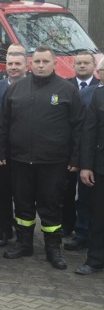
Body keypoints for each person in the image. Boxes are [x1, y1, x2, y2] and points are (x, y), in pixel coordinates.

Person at [0, 46, 85, 270]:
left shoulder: (67, 90)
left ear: (54, 64)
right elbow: (2, 124)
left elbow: (78, 127)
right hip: (20, 160)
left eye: (45, 61)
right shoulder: (16, 88)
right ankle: (24, 244)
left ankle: (53, 249)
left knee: (50, 206)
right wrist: (0, 152)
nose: (41, 65)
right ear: (30, 64)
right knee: (23, 206)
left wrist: (75, 158)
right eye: (37, 62)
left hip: (53, 163)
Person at [0, 44, 28, 247]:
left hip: (23, 152)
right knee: (1, 194)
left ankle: (23, 232)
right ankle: (4, 232)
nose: (13, 67)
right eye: (10, 64)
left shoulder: (31, 86)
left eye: (17, 64)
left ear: (25, 66)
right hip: (1, 151)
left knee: (22, 195)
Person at [62, 51, 98, 242]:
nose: (82, 66)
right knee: (69, 191)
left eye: (86, 63)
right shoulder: (66, 86)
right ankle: (71, 226)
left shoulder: (97, 89)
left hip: (93, 150)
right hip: (73, 150)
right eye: (79, 63)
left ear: (95, 67)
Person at [77, 60, 104, 275]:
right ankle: (95, 260)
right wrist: (85, 166)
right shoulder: (98, 95)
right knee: (98, 215)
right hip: (100, 168)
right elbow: (89, 132)